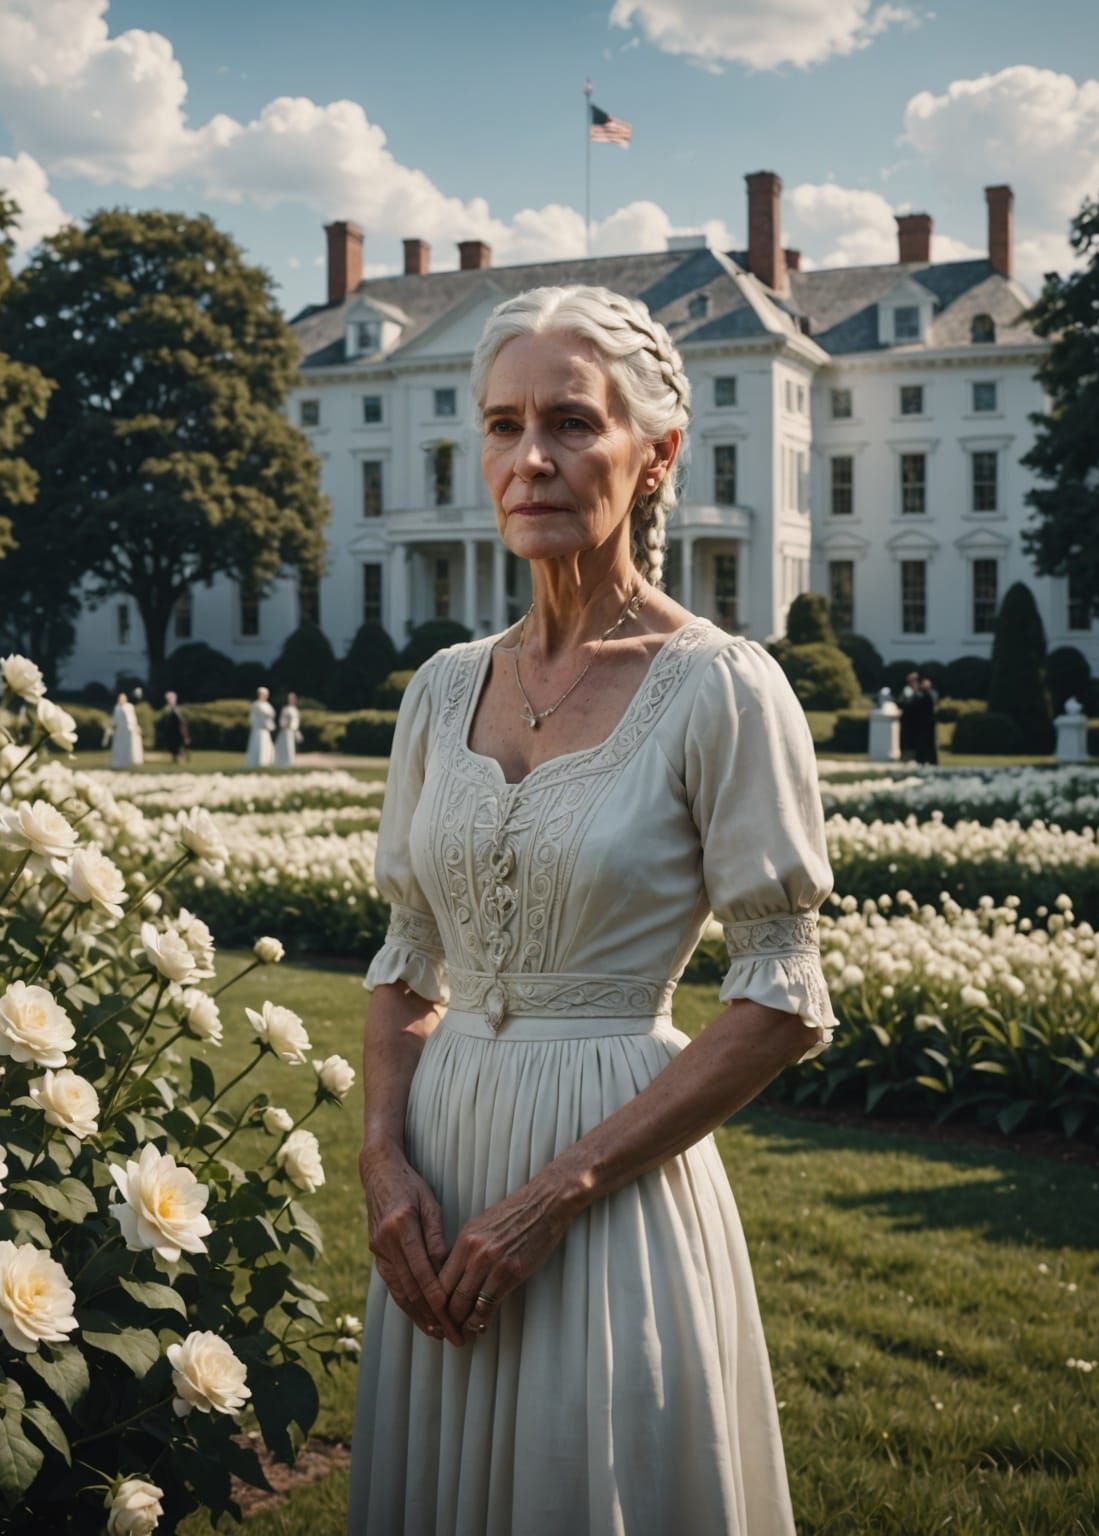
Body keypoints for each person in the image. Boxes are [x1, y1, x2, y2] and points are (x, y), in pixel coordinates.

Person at [351, 283, 836, 1536]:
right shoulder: (441, 689)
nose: (532, 459)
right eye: (504, 425)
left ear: (655, 453)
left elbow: (782, 994)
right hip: (440, 1172)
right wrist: (384, 1158)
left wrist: (555, 1193)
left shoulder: (722, 687)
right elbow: (408, 955)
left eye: (571, 422)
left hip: (606, 1179)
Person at [105, 690, 143, 769]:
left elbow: (132, 718)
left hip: (128, 730)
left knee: (130, 746)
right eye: (120, 698)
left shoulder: (129, 706)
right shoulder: (117, 708)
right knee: (118, 747)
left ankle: (129, 761)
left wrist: (135, 727)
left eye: (123, 698)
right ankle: (119, 761)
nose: (121, 700)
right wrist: (110, 727)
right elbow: (114, 720)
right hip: (120, 731)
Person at [155, 689, 192, 764]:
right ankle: (175, 756)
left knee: (183, 743)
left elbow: (183, 720)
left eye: (171, 699)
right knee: (172, 744)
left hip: (179, 730)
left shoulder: (178, 709)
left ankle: (183, 755)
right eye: (168, 699)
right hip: (170, 731)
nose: (169, 700)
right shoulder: (166, 709)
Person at [243, 685, 275, 768]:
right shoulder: (256, 705)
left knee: (266, 746)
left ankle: (265, 762)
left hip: (265, 730)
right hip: (258, 730)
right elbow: (255, 717)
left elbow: (271, 715)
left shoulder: (268, 705)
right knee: (257, 746)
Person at [914, 675, 940, 765]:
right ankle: (921, 760)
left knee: (931, 742)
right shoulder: (919, 694)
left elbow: (933, 701)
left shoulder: (932, 693)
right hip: (921, 723)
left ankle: (932, 760)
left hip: (930, 722)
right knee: (921, 743)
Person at [274, 690, 302, 768]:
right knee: (284, 746)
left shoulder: (295, 710)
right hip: (285, 731)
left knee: (291, 747)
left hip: (292, 731)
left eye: (293, 698)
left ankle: (290, 762)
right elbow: (281, 721)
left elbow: (296, 721)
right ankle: (282, 762)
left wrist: (294, 728)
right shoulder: (285, 709)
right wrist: (285, 724)